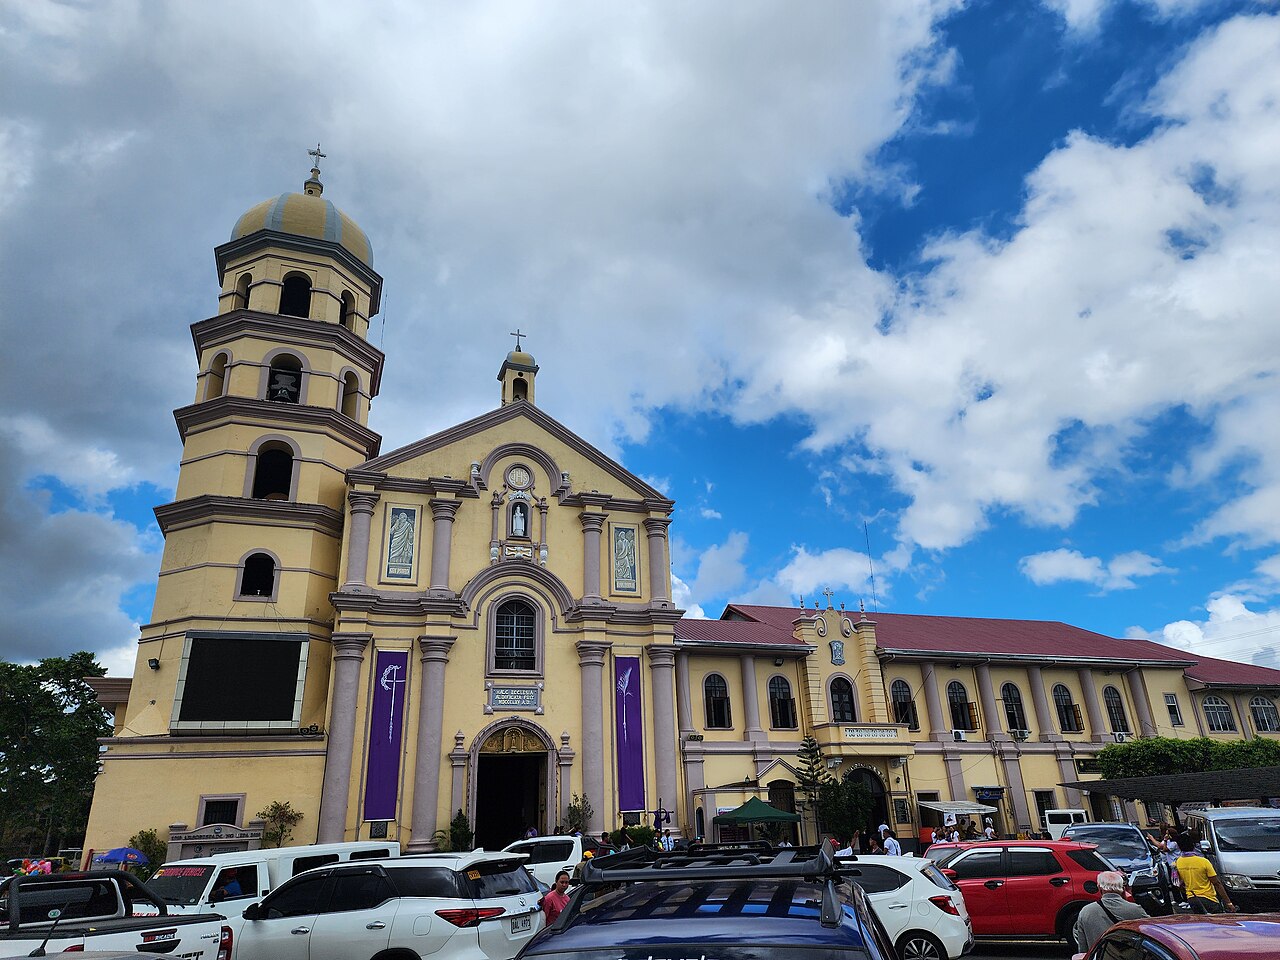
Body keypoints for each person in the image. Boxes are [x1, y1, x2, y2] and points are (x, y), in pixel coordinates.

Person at [1072, 871, 1148, 952]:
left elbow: (1083, 948)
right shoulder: (1136, 910)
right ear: (1122, 888)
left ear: (1099, 888)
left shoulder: (1086, 911)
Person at [1176, 833, 1236, 913]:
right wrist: (1228, 902)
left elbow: (1179, 884)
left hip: (1192, 899)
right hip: (1208, 898)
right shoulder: (1203, 861)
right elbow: (1217, 883)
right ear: (1193, 845)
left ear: (1179, 847)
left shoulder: (1178, 862)